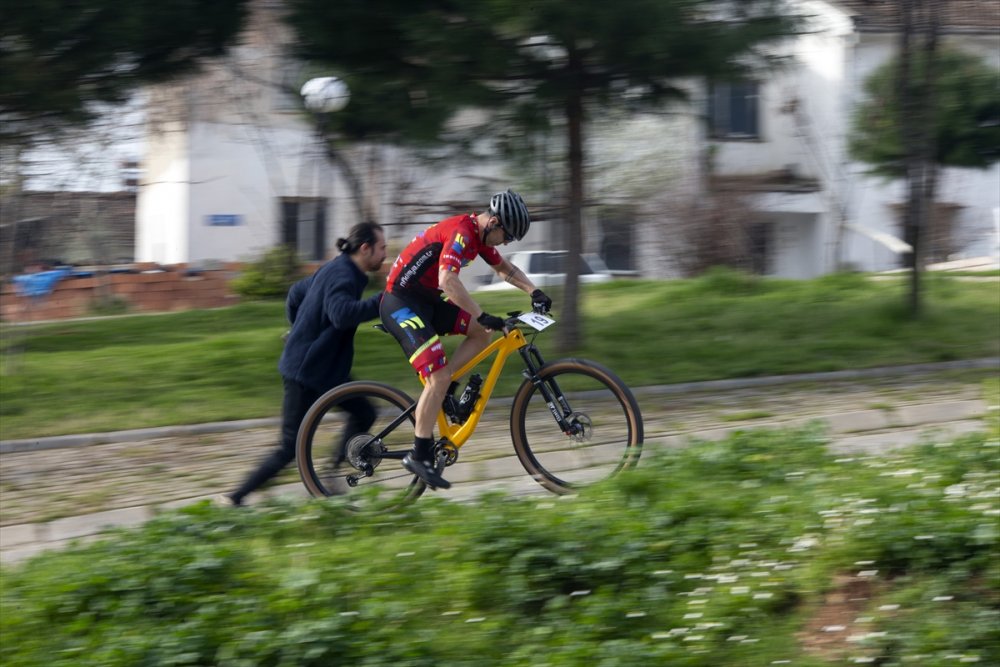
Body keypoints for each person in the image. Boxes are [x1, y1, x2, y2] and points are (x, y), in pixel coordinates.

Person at [379, 189, 552, 489]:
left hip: (427, 301)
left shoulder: (480, 235)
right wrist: (481, 312)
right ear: (495, 223)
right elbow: (448, 280)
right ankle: (419, 455)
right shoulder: (462, 232)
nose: (508, 242)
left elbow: (504, 269)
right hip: (401, 302)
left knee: (479, 332)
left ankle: (447, 392)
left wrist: (534, 291)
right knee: (439, 374)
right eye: (508, 236)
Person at [220, 221, 387, 506]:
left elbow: (296, 293)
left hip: (325, 369)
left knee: (364, 412)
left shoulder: (336, 268)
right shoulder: (344, 275)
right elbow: (342, 315)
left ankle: (331, 473)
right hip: (306, 372)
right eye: (382, 248)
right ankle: (234, 497)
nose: (385, 254)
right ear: (365, 248)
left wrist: (299, 329)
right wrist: (385, 301)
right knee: (290, 447)